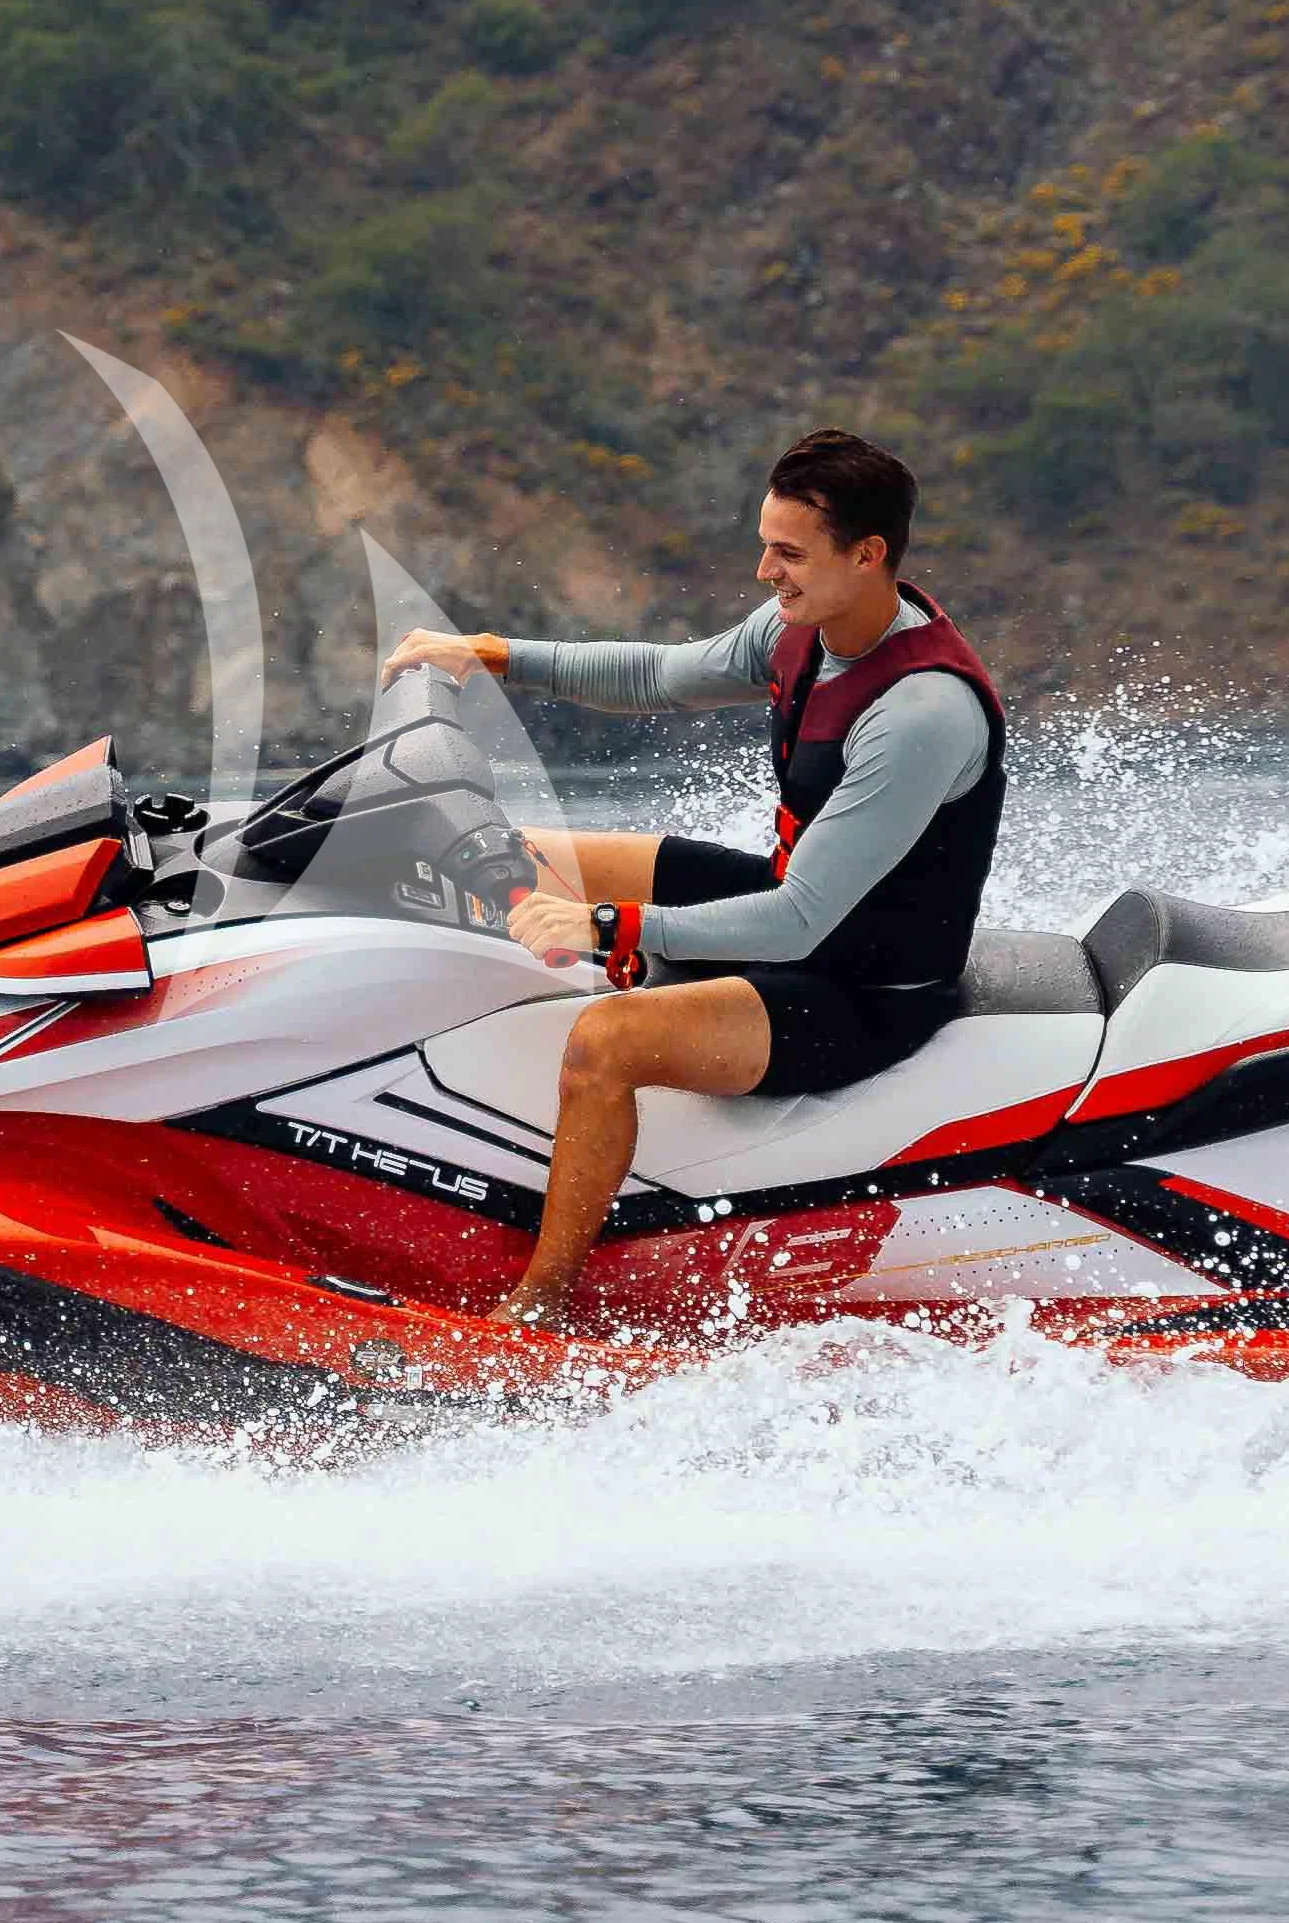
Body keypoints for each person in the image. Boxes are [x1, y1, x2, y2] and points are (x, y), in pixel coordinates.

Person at [380, 428, 1005, 1325]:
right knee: (525, 851)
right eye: (765, 544)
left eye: (788, 552)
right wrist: (491, 655)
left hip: (865, 984)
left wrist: (607, 927)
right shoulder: (806, 630)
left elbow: (797, 923)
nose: (764, 572)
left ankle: (540, 1304)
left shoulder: (921, 714)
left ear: (869, 556)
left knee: (607, 1042)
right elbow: (658, 676)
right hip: (808, 913)